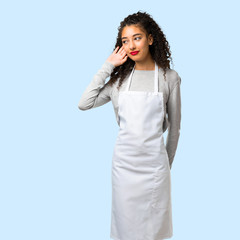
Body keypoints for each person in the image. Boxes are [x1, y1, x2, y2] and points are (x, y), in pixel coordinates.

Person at [78, 10, 181, 240]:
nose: (131, 45)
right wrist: (107, 65)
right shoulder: (118, 82)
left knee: (155, 231)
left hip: (155, 170)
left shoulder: (169, 78)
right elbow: (84, 103)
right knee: (126, 230)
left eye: (137, 37)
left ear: (150, 39)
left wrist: (165, 167)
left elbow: (174, 129)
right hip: (124, 169)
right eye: (125, 41)